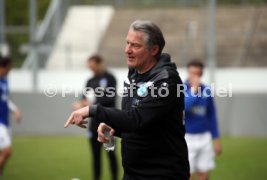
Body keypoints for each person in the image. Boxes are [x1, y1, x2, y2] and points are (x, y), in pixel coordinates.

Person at [64, 20, 190, 180]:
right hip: (133, 174)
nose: (127, 50)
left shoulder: (166, 80)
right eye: (127, 43)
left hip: (162, 174)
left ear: (154, 49)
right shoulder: (135, 76)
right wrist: (115, 127)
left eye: (135, 45)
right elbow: (142, 127)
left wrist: (92, 110)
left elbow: (137, 119)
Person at [72, 55, 118, 180]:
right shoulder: (90, 81)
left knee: (110, 153)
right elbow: (84, 97)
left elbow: (110, 98)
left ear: (99, 63)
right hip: (94, 125)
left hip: (108, 123)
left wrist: (92, 103)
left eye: (92, 65)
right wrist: (80, 104)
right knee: (96, 155)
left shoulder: (109, 78)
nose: (90, 68)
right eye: (89, 66)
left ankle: (114, 177)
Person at [183, 60, 222, 180]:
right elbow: (184, 106)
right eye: (191, 73)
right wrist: (194, 91)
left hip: (205, 137)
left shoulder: (206, 90)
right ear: (188, 73)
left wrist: (216, 139)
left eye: (197, 73)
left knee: (204, 174)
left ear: (201, 74)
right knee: (187, 174)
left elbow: (212, 115)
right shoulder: (181, 88)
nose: (194, 76)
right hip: (187, 137)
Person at [0, 55, 21, 178]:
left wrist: (15, 110)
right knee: (7, 151)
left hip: (5, 121)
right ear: (5, 66)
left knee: (3, 152)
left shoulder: (5, 81)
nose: (10, 70)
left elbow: (5, 100)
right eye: (10, 68)